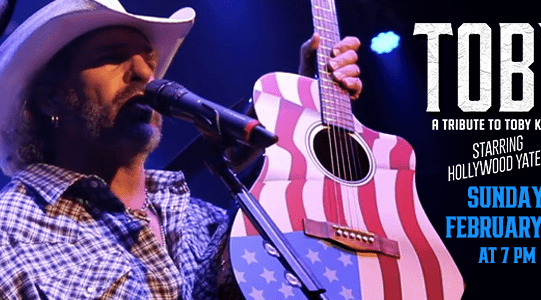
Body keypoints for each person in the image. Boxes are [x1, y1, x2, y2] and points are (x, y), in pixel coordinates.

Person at [0, 0, 361, 299]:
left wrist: (305, 102)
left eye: (149, 60)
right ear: (51, 99)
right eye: (113, 57)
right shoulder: (10, 230)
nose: (144, 73)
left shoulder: (209, 221)